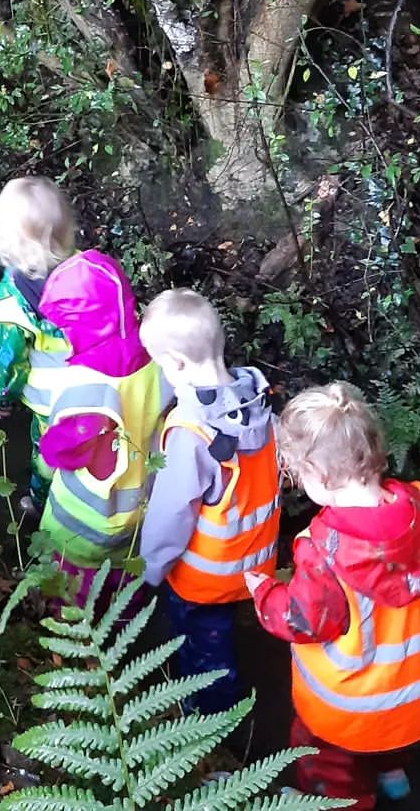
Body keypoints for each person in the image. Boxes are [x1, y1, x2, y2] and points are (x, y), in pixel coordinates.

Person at [245, 382, 420, 810]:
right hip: (413, 701)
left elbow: (299, 620)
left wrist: (264, 591)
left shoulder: (325, 553)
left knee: (332, 774)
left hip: (344, 716)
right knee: (388, 742)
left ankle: (338, 802)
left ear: (319, 476)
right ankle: (391, 774)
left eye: (297, 473)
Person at [138, 288, 280, 716]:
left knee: (205, 658)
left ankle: (215, 721)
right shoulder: (256, 403)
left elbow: (171, 515)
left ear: (176, 365)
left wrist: (151, 569)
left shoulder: (191, 433)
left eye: (159, 364)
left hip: (204, 581)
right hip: (254, 564)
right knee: (223, 634)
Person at [35, 249, 167, 610]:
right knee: (126, 593)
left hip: (84, 523)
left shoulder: (85, 383)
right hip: (141, 510)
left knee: (72, 595)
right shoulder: (157, 356)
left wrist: (44, 455)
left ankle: (76, 648)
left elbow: (60, 451)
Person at [0, 178, 75, 512]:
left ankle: (40, 502)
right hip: (102, 386)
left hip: (53, 403)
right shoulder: (88, 271)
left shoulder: (10, 305)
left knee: (48, 452)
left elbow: (4, 364)